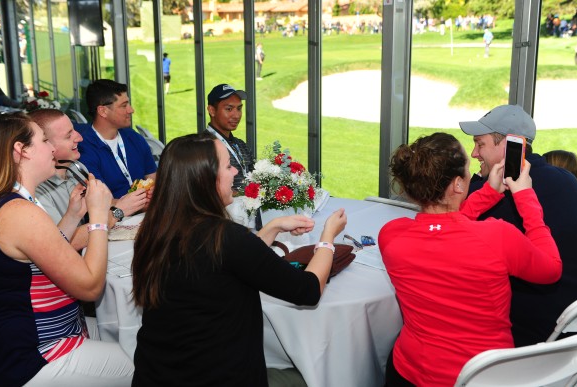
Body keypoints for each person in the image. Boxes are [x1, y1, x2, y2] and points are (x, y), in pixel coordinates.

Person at [131, 132, 347, 386]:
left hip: (158, 374)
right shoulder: (224, 237)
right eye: (228, 166)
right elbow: (308, 290)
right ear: (206, 179)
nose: (235, 172)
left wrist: (274, 226)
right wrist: (328, 239)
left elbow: (230, 261)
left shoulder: (156, 230)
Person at [379, 132, 561, 386]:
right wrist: (525, 197)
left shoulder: (391, 236)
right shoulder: (497, 237)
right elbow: (551, 269)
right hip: (482, 376)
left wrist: (488, 193)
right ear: (458, 184)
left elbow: (443, 225)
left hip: (408, 372)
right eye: (467, 168)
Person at [0, 112, 134, 385]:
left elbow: (42, 255)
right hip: (31, 353)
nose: (53, 148)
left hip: (24, 336)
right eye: (44, 140)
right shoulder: (19, 211)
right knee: (134, 364)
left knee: (112, 328)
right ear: (21, 151)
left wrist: (72, 216)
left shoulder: (10, 201)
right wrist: (99, 218)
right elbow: (90, 287)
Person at [460, 104, 577, 348]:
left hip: (527, 334)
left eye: (480, 144)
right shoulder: (567, 180)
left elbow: (452, 239)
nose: (474, 153)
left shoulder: (487, 193)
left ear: (512, 145)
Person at [31, 109, 149, 250]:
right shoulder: (35, 189)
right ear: (46, 145)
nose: (80, 138)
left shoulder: (77, 167)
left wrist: (136, 201)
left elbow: (99, 206)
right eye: (69, 136)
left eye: (74, 130)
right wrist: (119, 211)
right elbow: (64, 243)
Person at [78, 79, 157, 200]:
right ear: (103, 111)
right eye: (124, 106)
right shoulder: (84, 149)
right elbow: (100, 202)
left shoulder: (134, 138)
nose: (131, 110)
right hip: (112, 217)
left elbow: (153, 179)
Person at [205, 83, 254, 191]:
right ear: (212, 110)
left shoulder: (241, 145)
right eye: (229, 109)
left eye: (239, 108)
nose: (236, 115)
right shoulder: (203, 145)